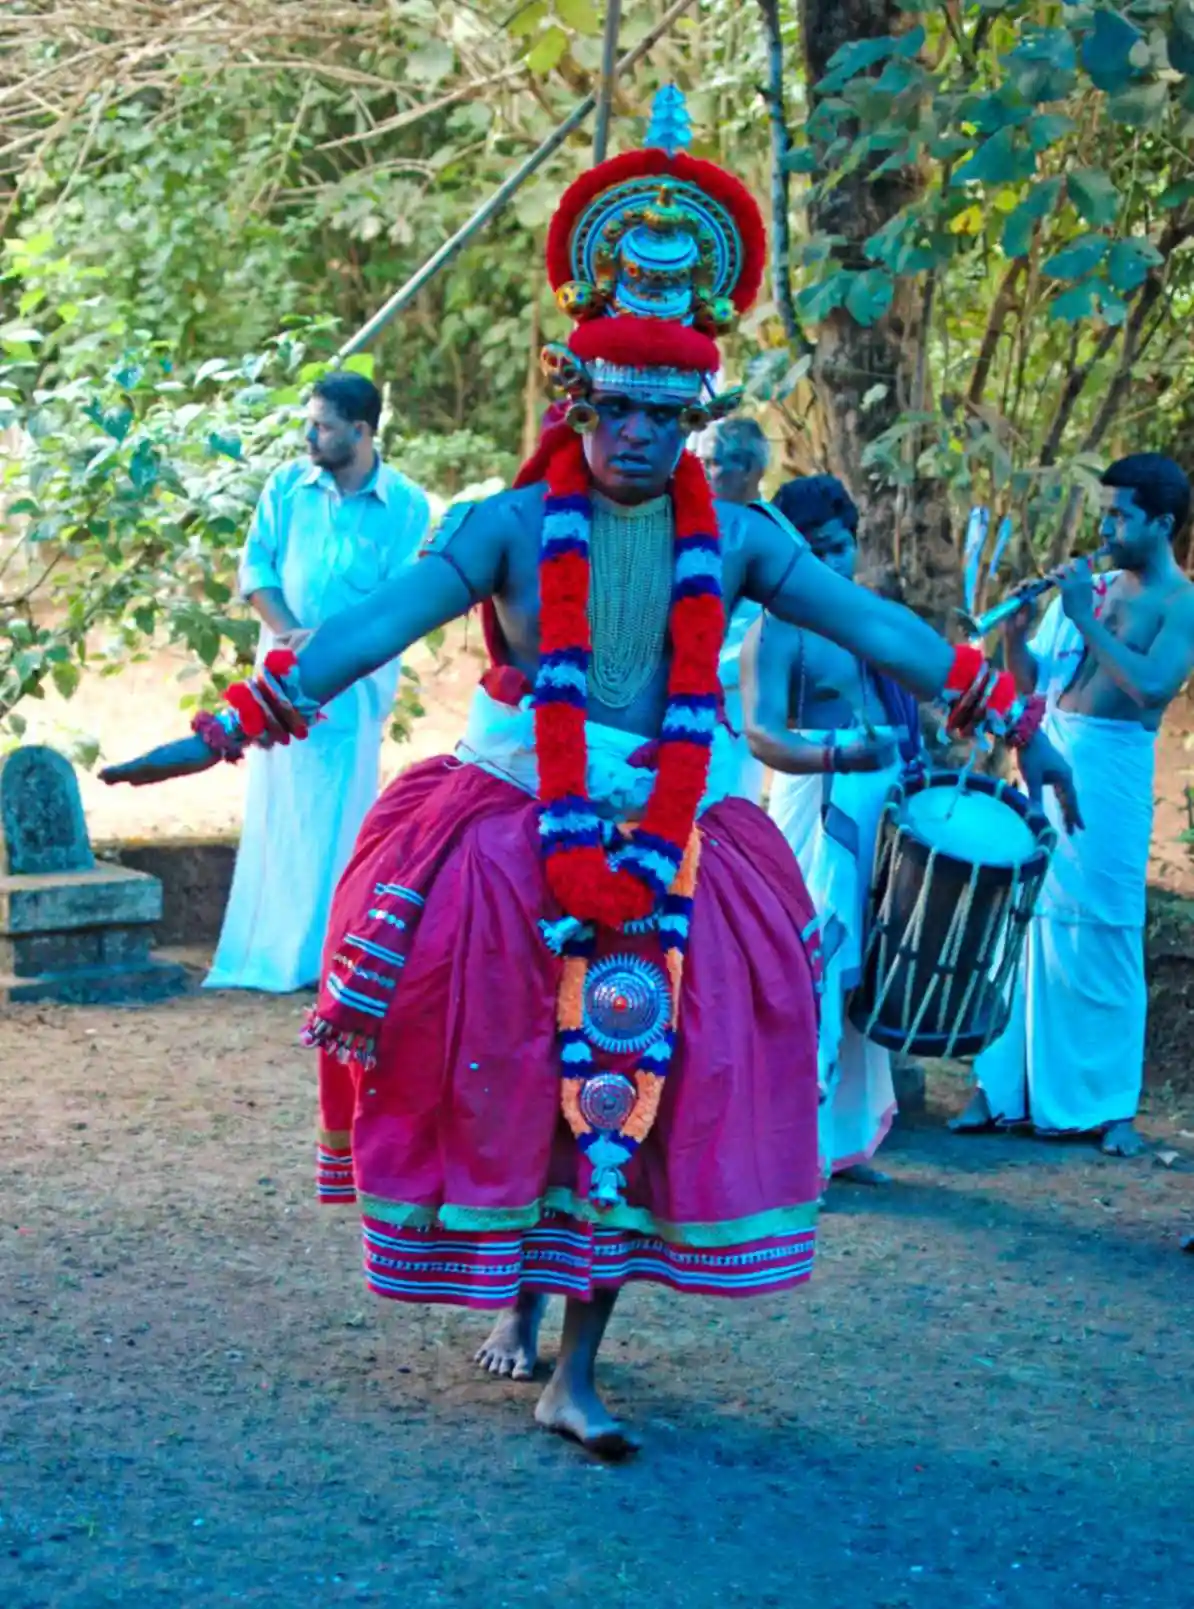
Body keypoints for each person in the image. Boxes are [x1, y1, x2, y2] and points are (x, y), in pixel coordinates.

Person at [99, 93, 1077, 1459]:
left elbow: (883, 631)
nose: (639, 437)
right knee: (497, 1048)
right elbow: (365, 634)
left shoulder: (733, 537)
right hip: (514, 809)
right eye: (618, 408)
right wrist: (220, 731)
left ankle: (577, 1362)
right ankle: (509, 1284)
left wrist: (1011, 713)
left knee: (654, 1065)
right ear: (578, 396)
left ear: (697, 411)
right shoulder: (501, 528)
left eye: (668, 414)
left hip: (686, 824)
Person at [958, 454, 1194, 1156]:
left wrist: (1088, 619)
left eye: (1121, 515)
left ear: (1162, 522)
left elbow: (1151, 686)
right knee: (1024, 925)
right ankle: (1002, 1087)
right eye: (1106, 511)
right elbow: (1033, 682)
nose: (1107, 526)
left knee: (1107, 928)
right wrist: (1014, 631)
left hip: (1111, 774)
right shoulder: (1087, 587)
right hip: (1051, 755)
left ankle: (1110, 1101)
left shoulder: (1180, 602)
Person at [204, 374, 430, 993]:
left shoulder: (406, 504)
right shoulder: (286, 487)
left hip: (354, 683)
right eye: (310, 421)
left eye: (324, 425)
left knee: (340, 814)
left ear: (362, 431)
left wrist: (332, 648)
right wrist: (291, 633)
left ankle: (326, 955)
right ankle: (270, 954)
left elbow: (403, 598)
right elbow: (256, 570)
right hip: (281, 675)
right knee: (281, 809)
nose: (310, 435)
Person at [740, 476, 924, 1188]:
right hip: (813, 802)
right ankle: (793, 1150)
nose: (830, 563)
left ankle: (844, 1140)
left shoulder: (872, 614)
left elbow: (912, 701)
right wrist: (841, 754)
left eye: (840, 547)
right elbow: (762, 733)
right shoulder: (775, 627)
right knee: (809, 964)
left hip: (879, 802)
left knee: (860, 972)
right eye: (813, 549)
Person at [702, 417, 774, 804]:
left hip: (731, 712)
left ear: (747, 469)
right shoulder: (695, 528)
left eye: (710, 463)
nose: (702, 474)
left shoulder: (771, 538)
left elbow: (765, 639)